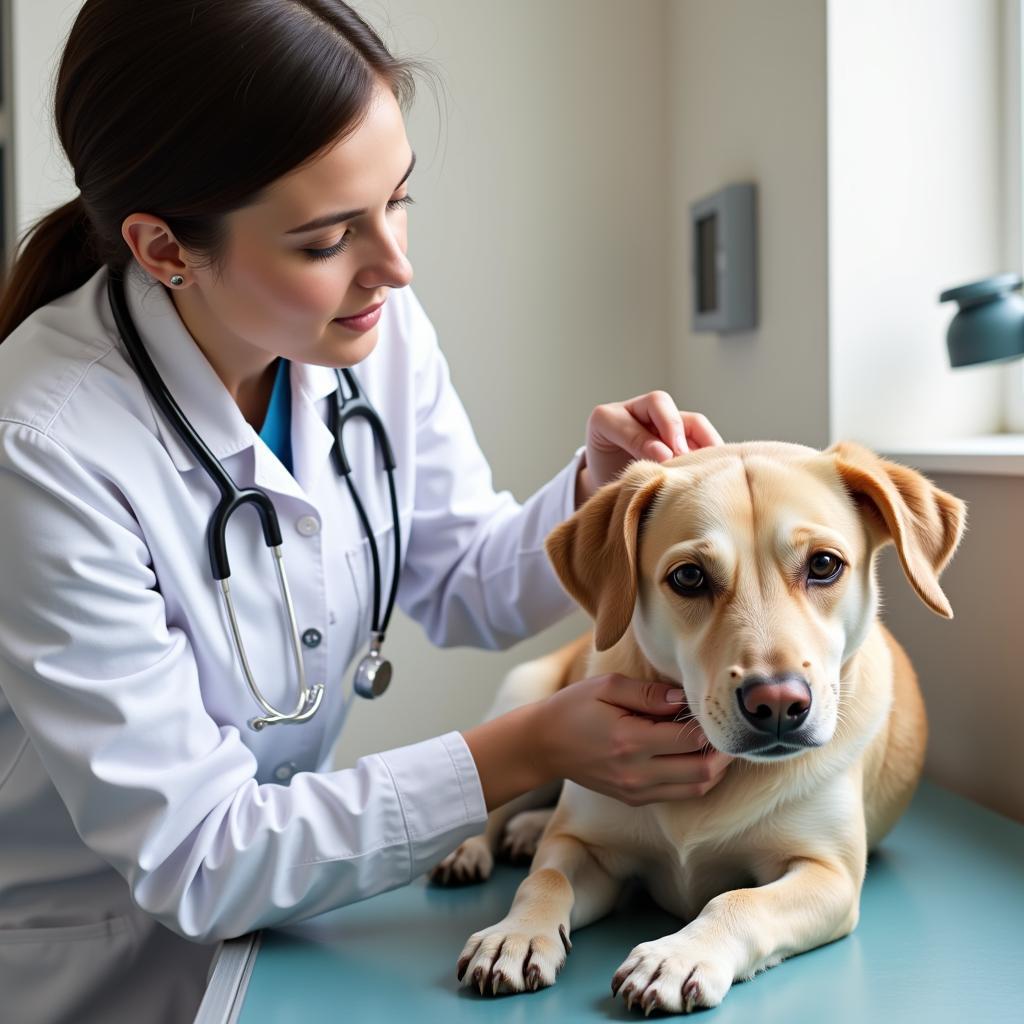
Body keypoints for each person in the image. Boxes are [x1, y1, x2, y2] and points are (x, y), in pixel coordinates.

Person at [0, 2, 732, 1022]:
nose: (394, 265)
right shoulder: (41, 447)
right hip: (94, 975)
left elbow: (464, 579)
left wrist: (590, 494)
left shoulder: (368, 329)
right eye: (328, 237)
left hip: (275, 937)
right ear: (164, 246)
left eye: (398, 201)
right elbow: (200, 856)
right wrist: (526, 749)